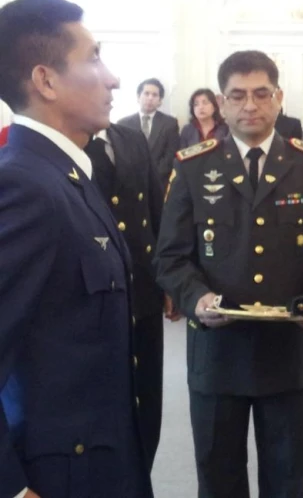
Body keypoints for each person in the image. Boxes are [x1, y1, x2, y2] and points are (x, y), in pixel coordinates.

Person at [155, 50, 303, 498]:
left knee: (286, 480)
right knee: (218, 479)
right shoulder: (193, 165)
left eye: (262, 94)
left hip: (288, 354)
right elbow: (170, 257)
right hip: (217, 354)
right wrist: (196, 299)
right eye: (237, 96)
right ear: (221, 103)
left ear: (279, 97)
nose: (250, 106)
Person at [0, 0, 153, 498]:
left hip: (105, 461)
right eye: (93, 57)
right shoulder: (25, 185)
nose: (111, 79)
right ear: (45, 80)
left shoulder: (68, 175)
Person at [84, 122, 170, 471]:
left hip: (144, 289)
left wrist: (167, 279)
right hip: (94, 297)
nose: (112, 82)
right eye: (92, 64)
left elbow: (155, 209)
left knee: (146, 402)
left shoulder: (130, 137)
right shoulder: (56, 148)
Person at [118, 77, 179, 190]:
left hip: (160, 184)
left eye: (155, 95)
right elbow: (122, 155)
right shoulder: (123, 124)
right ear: (138, 97)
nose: (150, 98)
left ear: (160, 101)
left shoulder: (170, 123)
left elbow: (170, 155)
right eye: (146, 93)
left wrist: (152, 177)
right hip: (131, 183)